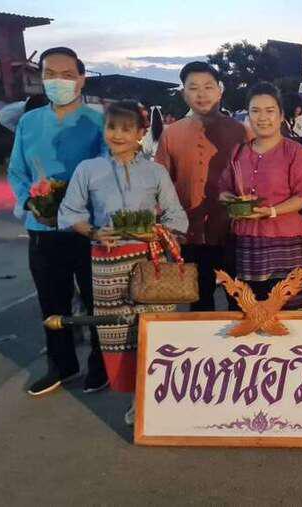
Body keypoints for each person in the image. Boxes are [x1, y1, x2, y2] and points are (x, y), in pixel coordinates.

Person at [57, 100, 188, 423]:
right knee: (119, 334)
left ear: (141, 133)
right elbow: (69, 213)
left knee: (154, 332)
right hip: (108, 265)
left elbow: (176, 217)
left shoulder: (155, 172)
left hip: (148, 262)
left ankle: (155, 399)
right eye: (111, 127)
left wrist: (155, 232)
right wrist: (94, 232)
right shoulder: (88, 169)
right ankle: (137, 400)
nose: (117, 134)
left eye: (127, 129)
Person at [6, 47, 108, 396]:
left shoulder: (98, 122)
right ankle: (61, 365)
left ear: (81, 79)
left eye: (67, 75)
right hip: (43, 227)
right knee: (52, 301)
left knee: (97, 300)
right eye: (50, 74)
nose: (58, 81)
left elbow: (107, 168)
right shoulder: (29, 122)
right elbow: (17, 170)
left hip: (87, 228)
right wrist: (30, 202)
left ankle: (101, 365)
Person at [155, 61, 248, 311]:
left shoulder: (240, 132)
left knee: (240, 301)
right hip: (189, 233)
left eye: (208, 87)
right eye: (193, 87)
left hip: (232, 231)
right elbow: (160, 185)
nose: (201, 94)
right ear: (184, 93)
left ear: (219, 91)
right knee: (199, 303)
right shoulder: (171, 134)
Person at [218, 82, 302, 309]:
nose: (262, 118)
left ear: (281, 115)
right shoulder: (238, 152)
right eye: (255, 111)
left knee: (289, 315)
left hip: (286, 244)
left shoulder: (295, 152)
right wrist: (233, 202)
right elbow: (224, 189)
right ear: (248, 115)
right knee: (248, 312)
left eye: (269, 111)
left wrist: (271, 211)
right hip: (246, 244)